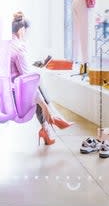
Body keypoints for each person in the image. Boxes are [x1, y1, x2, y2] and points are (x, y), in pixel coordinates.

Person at [10, 11, 71, 147]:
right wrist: (44, 105)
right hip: (15, 93)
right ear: (21, 30)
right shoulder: (19, 48)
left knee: (38, 79)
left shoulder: (8, 43)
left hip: (8, 88)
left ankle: (48, 126)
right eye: (27, 31)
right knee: (37, 81)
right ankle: (52, 119)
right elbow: (27, 79)